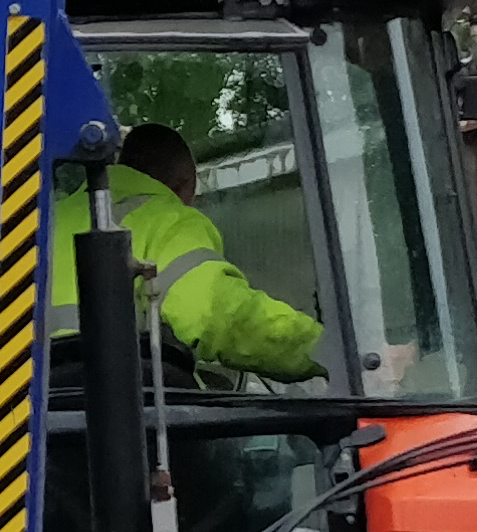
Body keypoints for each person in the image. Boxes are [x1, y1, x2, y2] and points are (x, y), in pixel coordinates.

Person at [67, 122, 324, 384]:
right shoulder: (168, 220)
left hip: (40, 408)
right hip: (123, 407)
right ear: (182, 187)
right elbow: (218, 315)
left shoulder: (49, 221)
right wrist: (322, 348)